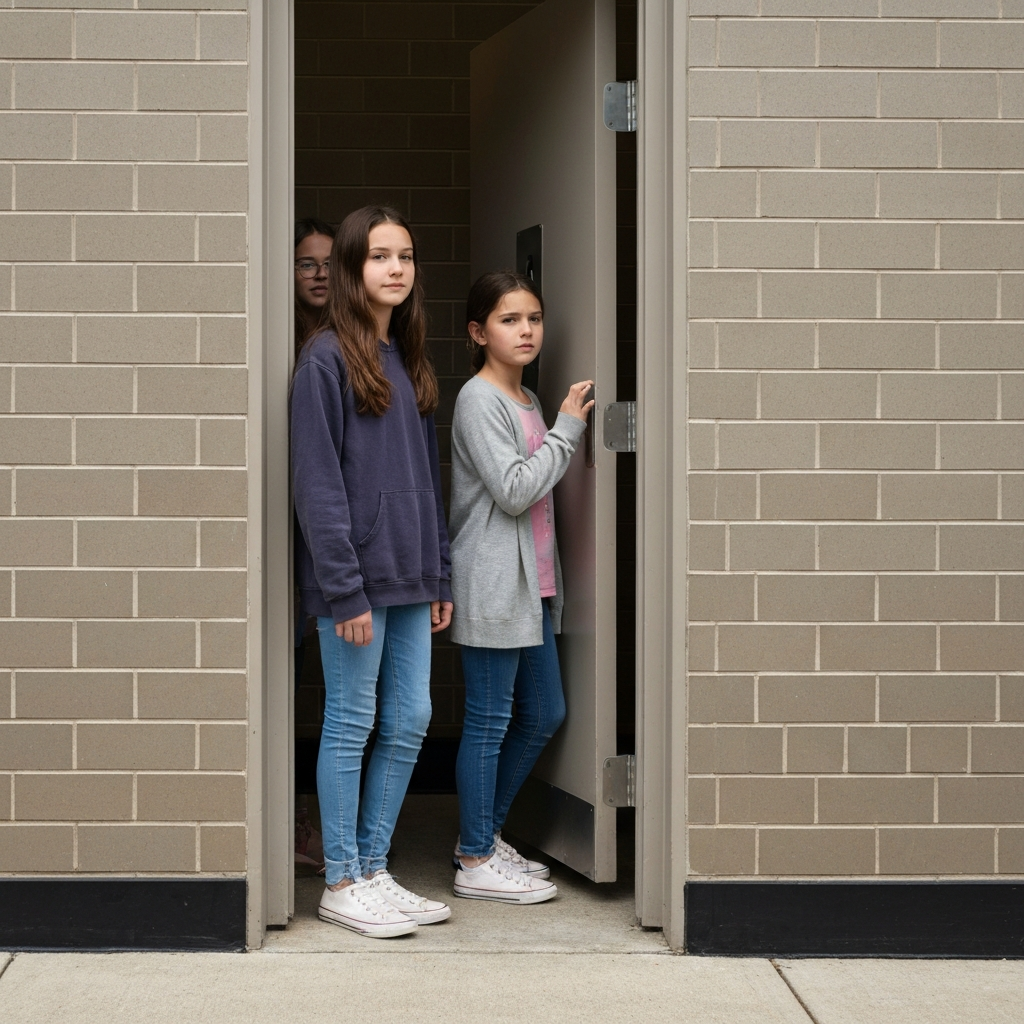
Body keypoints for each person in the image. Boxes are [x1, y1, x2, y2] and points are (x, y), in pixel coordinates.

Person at [291, 205, 454, 938]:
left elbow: (427, 477)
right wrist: (342, 586)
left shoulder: (409, 360)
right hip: (353, 583)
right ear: (355, 269)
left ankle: (376, 870)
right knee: (352, 721)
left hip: (411, 577)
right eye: (380, 256)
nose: (396, 268)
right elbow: (317, 484)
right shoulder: (325, 359)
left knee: (411, 717)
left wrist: (439, 575)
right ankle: (342, 878)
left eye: (407, 256)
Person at [447, 271, 594, 904]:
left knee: (545, 713)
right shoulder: (478, 399)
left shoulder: (529, 400)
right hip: (491, 583)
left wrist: (553, 421)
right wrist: (567, 430)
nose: (526, 329)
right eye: (509, 320)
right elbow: (512, 491)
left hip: (531, 587)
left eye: (533, 318)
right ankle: (474, 857)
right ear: (479, 333)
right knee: (488, 722)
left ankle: (483, 834)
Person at [293, 216, 334, 874]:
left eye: (330, 262)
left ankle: (323, 826)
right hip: (287, 530)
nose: (321, 272)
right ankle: (294, 817)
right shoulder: (285, 341)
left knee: (337, 689)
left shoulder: (346, 344)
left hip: (330, 542)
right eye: (307, 263)